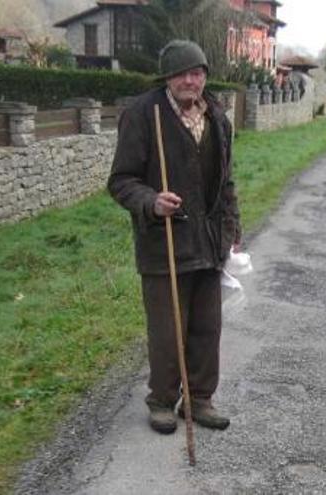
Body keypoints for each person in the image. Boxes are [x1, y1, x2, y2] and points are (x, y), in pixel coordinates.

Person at [107, 40, 242, 434]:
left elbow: (226, 182)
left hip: (208, 241)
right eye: (182, 73)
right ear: (167, 76)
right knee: (167, 331)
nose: (190, 80)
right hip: (163, 242)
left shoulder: (217, 116)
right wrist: (151, 201)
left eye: (197, 72)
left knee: (206, 327)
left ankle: (199, 400)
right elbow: (121, 181)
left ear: (205, 76)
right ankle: (162, 401)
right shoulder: (142, 114)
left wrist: (233, 228)